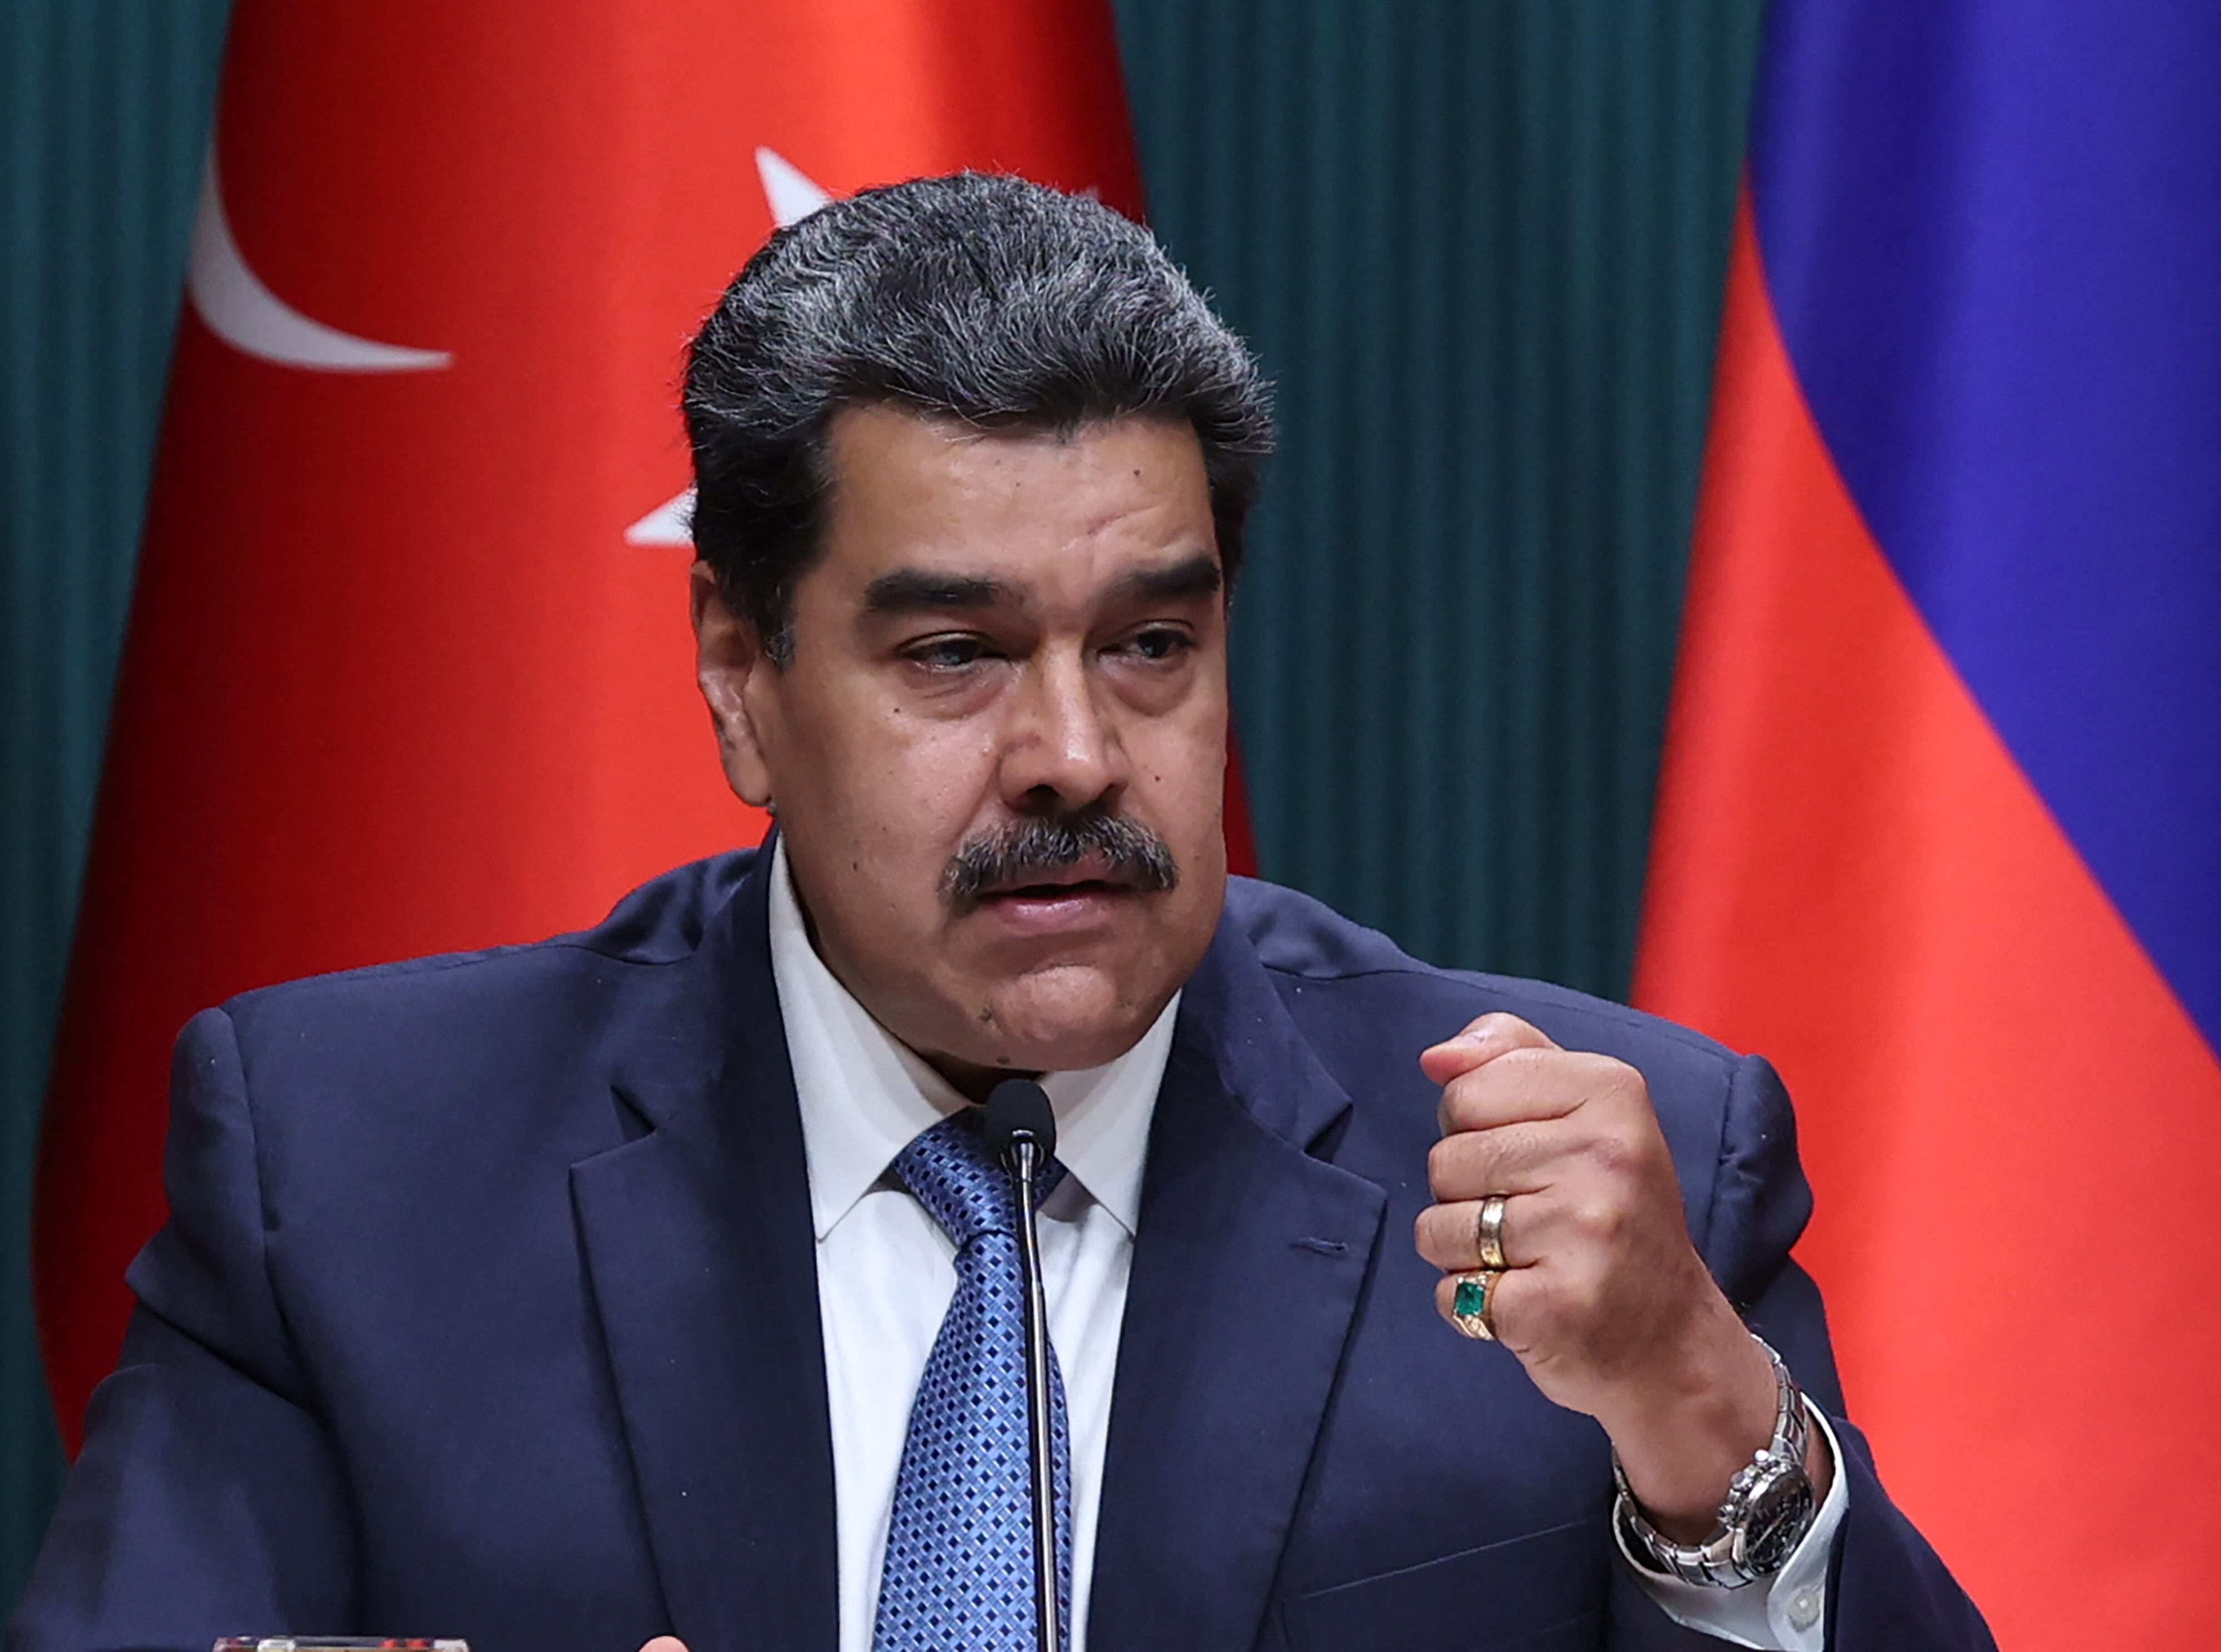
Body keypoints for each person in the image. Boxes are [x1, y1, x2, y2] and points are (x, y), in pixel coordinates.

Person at [11, 173, 1993, 1652]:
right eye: (954, 653)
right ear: (737, 671)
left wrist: (1699, 1408)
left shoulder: (1601, 1163)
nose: (1072, 754)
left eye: (1151, 643)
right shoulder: (350, 1177)